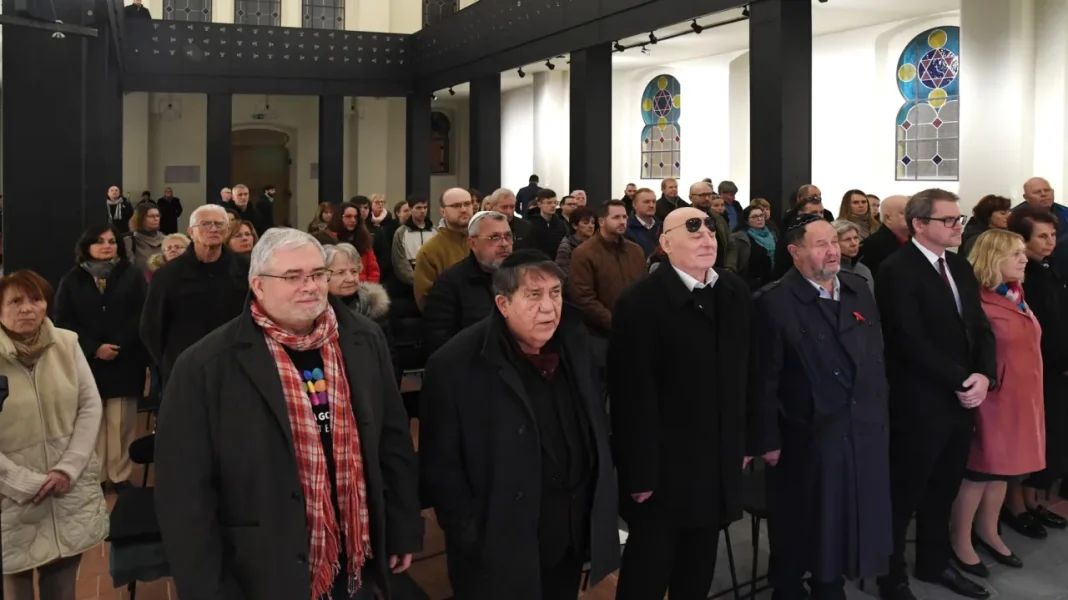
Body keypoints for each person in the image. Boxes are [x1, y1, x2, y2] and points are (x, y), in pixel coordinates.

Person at [155, 228, 422, 600]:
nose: (310, 286)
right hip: (262, 564)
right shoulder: (206, 365)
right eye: (292, 277)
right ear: (259, 285)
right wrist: (208, 588)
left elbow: (392, 439)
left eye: (317, 274)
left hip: (357, 552)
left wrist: (403, 526)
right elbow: (184, 492)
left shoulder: (363, 338)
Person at [419, 249, 620, 600]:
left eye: (555, 293)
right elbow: (442, 466)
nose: (548, 307)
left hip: (569, 534)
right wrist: (472, 536)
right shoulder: (454, 364)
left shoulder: (576, 342)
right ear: (502, 303)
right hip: (499, 542)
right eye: (533, 295)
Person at [609, 207, 758, 600]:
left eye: (710, 231)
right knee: (649, 568)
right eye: (693, 232)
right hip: (664, 467)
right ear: (665, 243)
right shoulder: (640, 303)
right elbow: (630, 396)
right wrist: (638, 474)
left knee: (699, 566)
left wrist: (744, 441)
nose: (707, 238)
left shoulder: (733, 290)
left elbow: (748, 374)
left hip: (717, 457)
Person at [754, 213, 892, 600]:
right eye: (821, 244)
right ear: (795, 252)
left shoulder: (857, 288)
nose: (833, 251)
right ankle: (788, 586)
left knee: (847, 521)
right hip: (807, 434)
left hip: (861, 427)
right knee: (803, 522)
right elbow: (764, 380)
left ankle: (829, 586)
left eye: (835, 242)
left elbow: (874, 357)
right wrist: (767, 438)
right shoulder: (773, 303)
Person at [875, 189, 997, 600]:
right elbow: (908, 339)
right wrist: (962, 381)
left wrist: (984, 374)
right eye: (949, 220)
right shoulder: (897, 269)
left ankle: (933, 562)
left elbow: (979, 327)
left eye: (959, 219)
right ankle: (890, 578)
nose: (958, 226)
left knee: (943, 488)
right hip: (919, 402)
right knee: (904, 493)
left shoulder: (959, 266)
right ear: (919, 225)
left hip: (961, 399)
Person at [0, 271, 108, 600]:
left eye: (36, 299)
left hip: (65, 492)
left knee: (61, 590)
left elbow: (89, 406)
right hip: (10, 498)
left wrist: (67, 468)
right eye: (15, 301)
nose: (28, 308)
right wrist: (19, 481)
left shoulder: (66, 343)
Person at [949, 229, 1044, 577]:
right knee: (979, 472)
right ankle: (960, 540)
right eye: (1015, 253)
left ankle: (987, 531)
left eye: (1023, 252)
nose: (1024, 258)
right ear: (993, 258)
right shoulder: (978, 299)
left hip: (1021, 396)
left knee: (1003, 470)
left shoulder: (1016, 294)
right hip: (992, 399)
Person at [55, 224, 148, 494]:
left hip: (125, 358)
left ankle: (119, 476)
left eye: (111, 241)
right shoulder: (72, 280)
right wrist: (94, 347)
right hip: (88, 361)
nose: (107, 246)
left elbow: (142, 314)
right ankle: (95, 476)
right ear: (87, 247)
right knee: (92, 421)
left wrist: (118, 344)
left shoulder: (132, 275)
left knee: (121, 423)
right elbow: (63, 320)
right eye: (99, 241)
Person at [1008, 207, 1068, 534]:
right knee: (1028, 438)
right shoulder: (1023, 276)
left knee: (1049, 438)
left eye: (1053, 235)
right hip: (1036, 370)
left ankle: (1033, 500)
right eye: (1042, 236)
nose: (1050, 242)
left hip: (1055, 368)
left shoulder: (1048, 269)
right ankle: (1015, 505)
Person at [140, 204, 250, 382]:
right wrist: (169, 362)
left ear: (227, 230)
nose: (213, 229)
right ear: (191, 232)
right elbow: (151, 327)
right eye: (205, 224)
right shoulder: (167, 274)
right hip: (185, 369)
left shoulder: (246, 269)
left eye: (219, 224)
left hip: (235, 367)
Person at [422, 211, 514, 356]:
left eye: (508, 236)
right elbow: (439, 341)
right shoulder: (449, 283)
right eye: (494, 237)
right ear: (472, 243)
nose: (504, 243)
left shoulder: (521, 277)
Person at [414, 188, 474, 311]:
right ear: (443, 211)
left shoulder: (482, 241)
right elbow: (425, 299)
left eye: (467, 204)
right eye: (456, 206)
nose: (463, 209)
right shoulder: (430, 251)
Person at [858, 195, 909, 277]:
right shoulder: (871, 246)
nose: (912, 216)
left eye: (912, 212)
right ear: (888, 218)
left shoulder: (915, 241)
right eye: (904, 213)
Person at [832, 219, 875, 294]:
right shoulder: (829, 272)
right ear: (834, 243)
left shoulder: (864, 270)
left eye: (856, 238)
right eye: (847, 240)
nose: (854, 243)